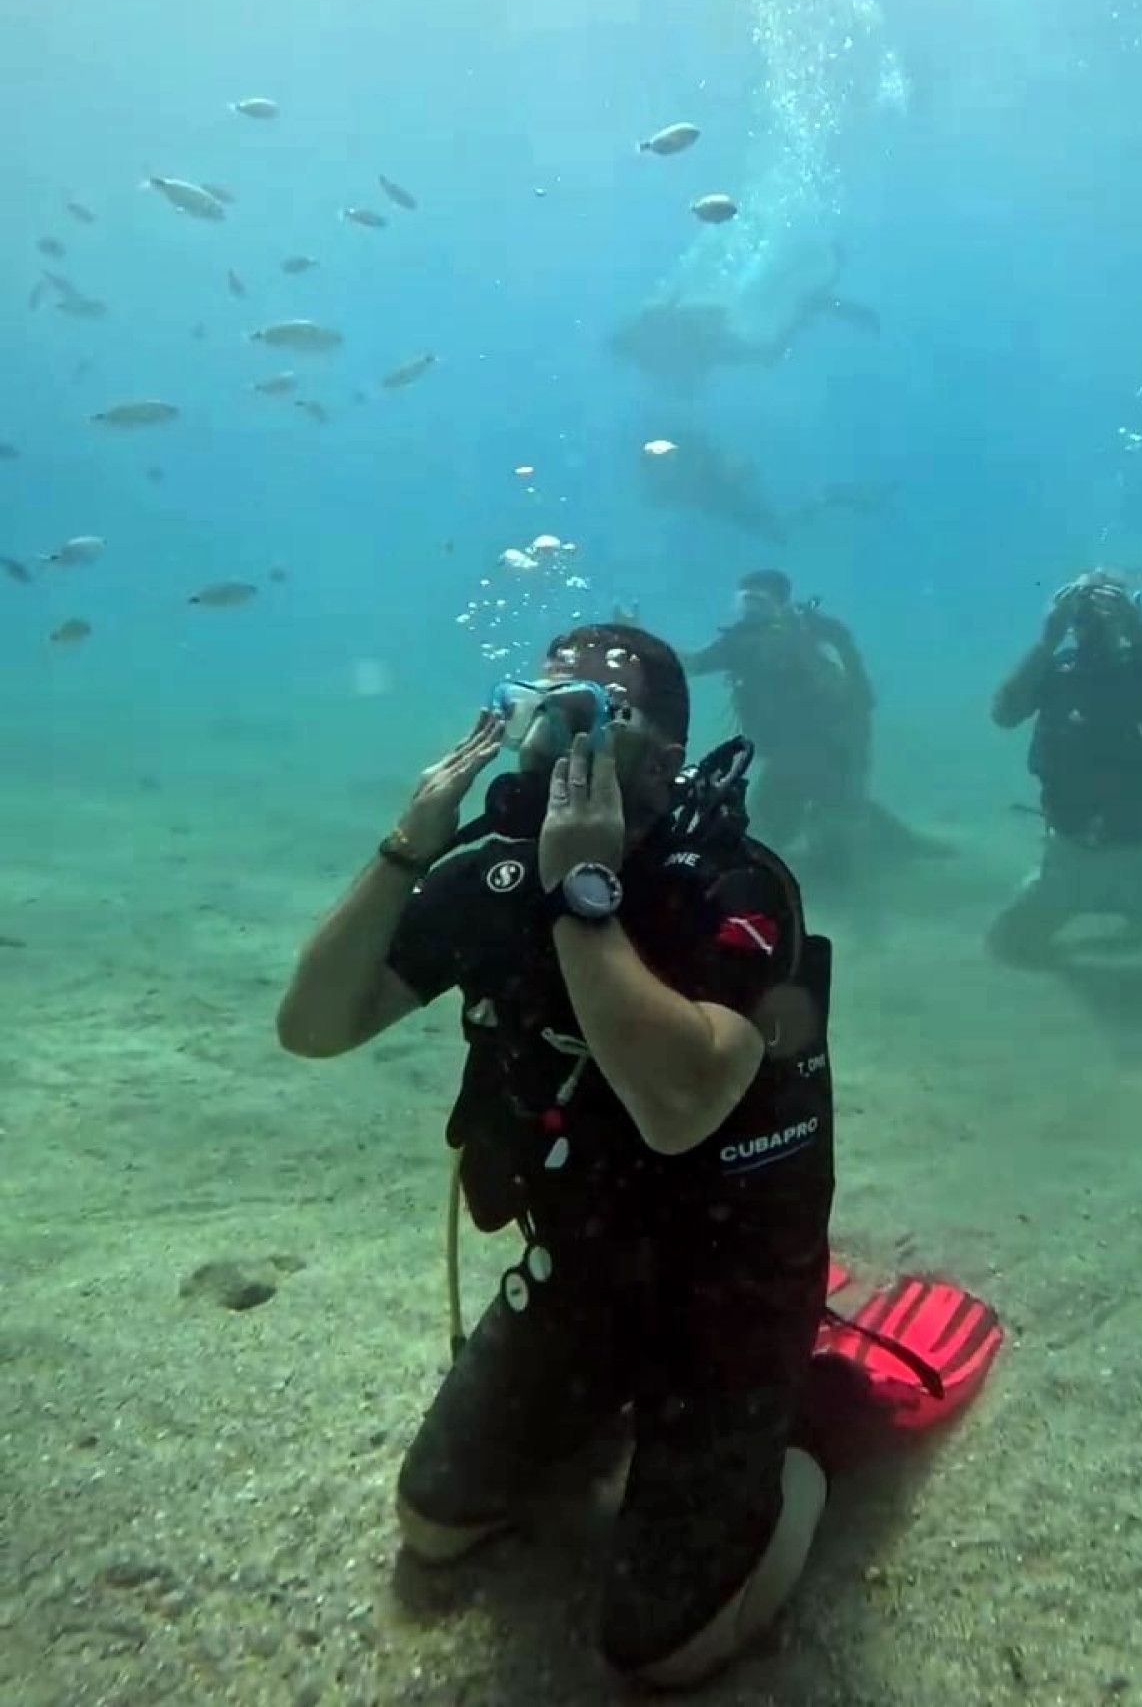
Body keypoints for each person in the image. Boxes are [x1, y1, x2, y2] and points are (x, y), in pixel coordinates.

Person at [277, 624, 837, 1687]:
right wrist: (406, 845)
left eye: (585, 719)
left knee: (663, 1647)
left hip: (731, 1283)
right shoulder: (494, 880)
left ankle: (793, 1456)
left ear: (662, 757)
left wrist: (583, 890)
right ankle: (611, 1399)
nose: (547, 741)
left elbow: (679, 1109)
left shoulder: (734, 887)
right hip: (585, 1264)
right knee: (435, 1518)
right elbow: (314, 1025)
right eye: (536, 710)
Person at [987, 570, 1142, 970]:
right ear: (1069, 620)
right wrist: (1046, 641)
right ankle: (1137, 925)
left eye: (1106, 607)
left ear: (1129, 612)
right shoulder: (1055, 672)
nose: (1095, 621)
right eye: (1083, 610)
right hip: (1071, 856)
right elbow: (1004, 713)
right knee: (1006, 948)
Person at [684, 571, 932, 883]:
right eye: (746, 602)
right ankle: (890, 844)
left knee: (827, 827)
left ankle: (890, 849)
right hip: (800, 752)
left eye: (759, 602)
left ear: (780, 604)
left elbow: (851, 695)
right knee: (786, 823)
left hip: (828, 747)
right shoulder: (747, 641)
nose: (750, 610)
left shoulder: (797, 635)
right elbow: (692, 664)